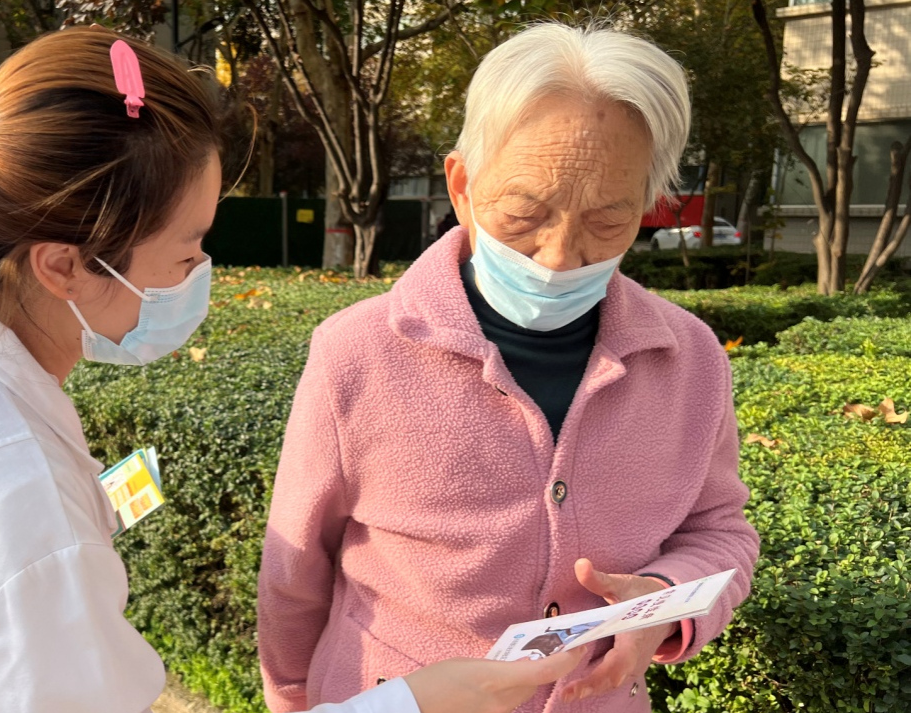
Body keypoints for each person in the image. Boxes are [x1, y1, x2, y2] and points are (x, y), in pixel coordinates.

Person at [0, 27, 582, 713]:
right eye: (186, 253)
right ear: (62, 264)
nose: (199, 275)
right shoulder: (11, 491)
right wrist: (412, 703)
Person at [257, 23, 760, 713]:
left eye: (607, 220)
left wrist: (665, 601)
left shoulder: (692, 359)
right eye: (525, 213)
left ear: (647, 205)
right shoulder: (358, 352)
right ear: (462, 185)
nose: (559, 255)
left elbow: (721, 531)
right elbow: (295, 570)